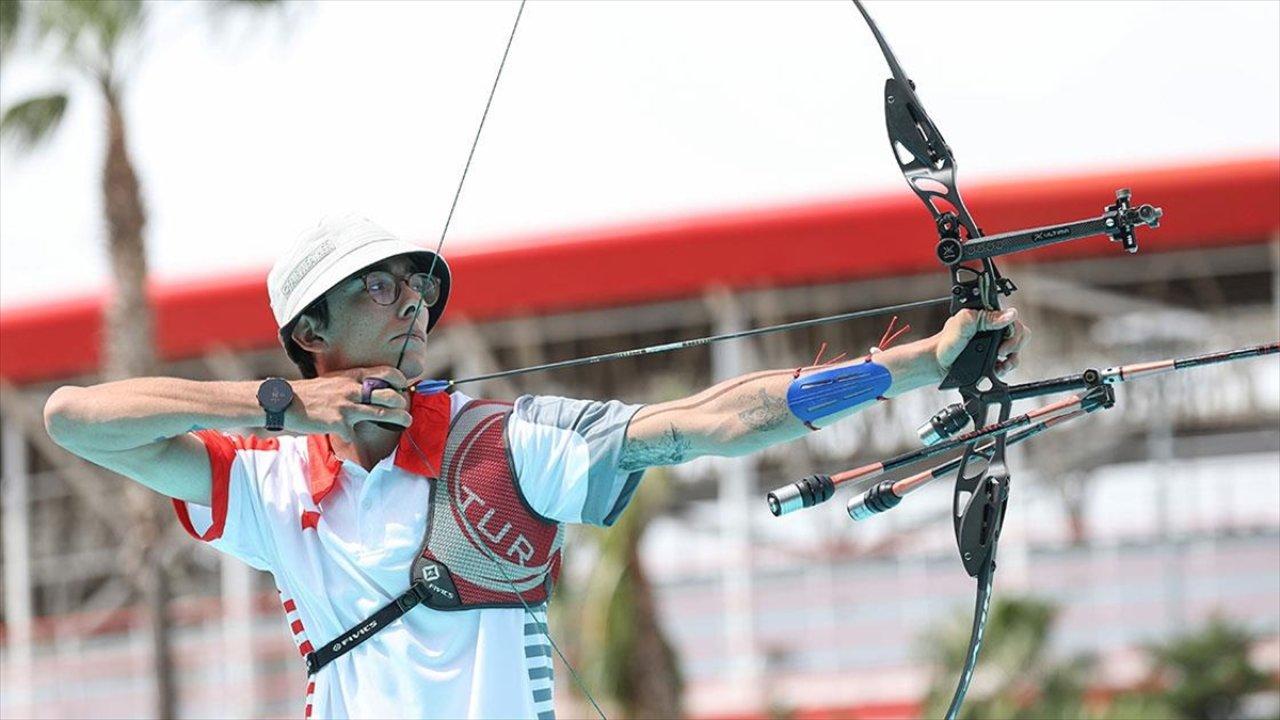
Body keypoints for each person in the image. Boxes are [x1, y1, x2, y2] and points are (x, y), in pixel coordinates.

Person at [43, 213, 1028, 719]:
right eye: (381, 289)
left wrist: (912, 367)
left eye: (417, 294)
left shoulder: (503, 443)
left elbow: (708, 422)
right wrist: (279, 405)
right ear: (309, 329)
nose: (411, 309)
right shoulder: (267, 481)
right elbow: (76, 419)